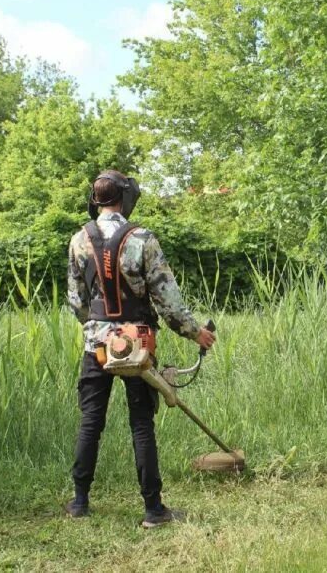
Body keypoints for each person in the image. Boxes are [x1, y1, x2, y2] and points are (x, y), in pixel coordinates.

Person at [65, 170, 216, 526]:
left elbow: (77, 302)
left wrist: (99, 327)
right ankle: (153, 510)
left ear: (96, 200)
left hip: (97, 346)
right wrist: (196, 334)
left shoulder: (77, 241)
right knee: (141, 425)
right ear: (125, 198)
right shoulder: (143, 239)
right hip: (138, 344)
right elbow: (168, 300)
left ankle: (80, 502)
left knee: (90, 421)